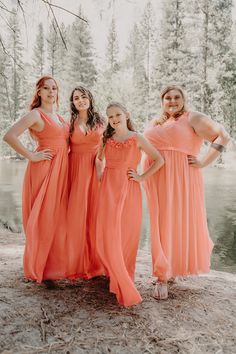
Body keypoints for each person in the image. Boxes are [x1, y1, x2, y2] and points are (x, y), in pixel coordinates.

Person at [143, 85, 230, 299]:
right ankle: (167, 270)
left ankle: (163, 277)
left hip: (181, 178)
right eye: (167, 98)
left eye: (176, 97)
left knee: (174, 222)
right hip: (157, 177)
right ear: (162, 101)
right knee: (160, 222)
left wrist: (203, 162)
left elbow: (223, 136)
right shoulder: (158, 121)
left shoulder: (193, 118)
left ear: (183, 99)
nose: (172, 101)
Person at [95, 102, 164, 307]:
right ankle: (113, 272)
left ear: (127, 115)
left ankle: (124, 276)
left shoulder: (137, 138)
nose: (114, 119)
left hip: (129, 188)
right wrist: (100, 175)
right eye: (110, 116)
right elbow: (99, 159)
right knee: (108, 231)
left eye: (118, 114)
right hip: (108, 189)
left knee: (127, 233)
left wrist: (142, 177)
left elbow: (159, 159)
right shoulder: (106, 138)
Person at [3, 76, 69, 286]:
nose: (51, 92)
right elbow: (10, 135)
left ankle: (52, 266)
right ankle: (39, 267)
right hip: (44, 168)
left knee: (57, 217)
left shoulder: (58, 116)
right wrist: (31, 155)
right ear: (38, 92)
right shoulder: (36, 114)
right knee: (43, 217)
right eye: (46, 88)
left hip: (62, 169)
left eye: (54, 88)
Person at [66, 86, 105, 280]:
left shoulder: (101, 121)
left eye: (83, 96)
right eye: (76, 98)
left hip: (95, 169)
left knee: (94, 216)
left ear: (90, 98)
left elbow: (109, 147)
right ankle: (75, 262)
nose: (80, 100)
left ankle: (95, 263)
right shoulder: (69, 123)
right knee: (75, 216)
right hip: (74, 170)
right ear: (72, 102)